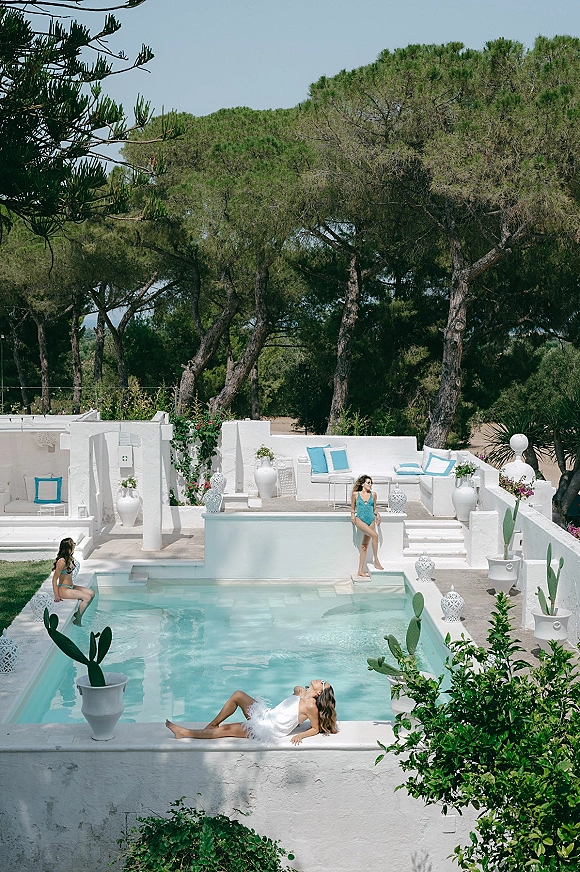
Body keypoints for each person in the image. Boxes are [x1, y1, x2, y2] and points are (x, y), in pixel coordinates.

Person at [165, 679, 338, 745]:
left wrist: (301, 736)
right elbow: (296, 689)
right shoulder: (302, 694)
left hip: (267, 728)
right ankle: (212, 724)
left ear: (320, 692)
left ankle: (184, 733)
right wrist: (300, 690)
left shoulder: (311, 706)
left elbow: (315, 728)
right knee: (238, 695)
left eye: (322, 683)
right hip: (266, 715)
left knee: (225, 731)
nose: (319, 680)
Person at [51, 537, 94, 625]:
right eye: (72, 544)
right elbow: (54, 579)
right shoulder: (61, 562)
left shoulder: (69, 558)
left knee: (91, 593)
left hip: (70, 586)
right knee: (87, 598)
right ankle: (78, 619)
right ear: (68, 548)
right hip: (63, 589)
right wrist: (56, 596)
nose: (74, 545)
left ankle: (78, 614)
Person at [351, 474, 383, 576]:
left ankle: (360, 570)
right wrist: (352, 515)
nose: (370, 485)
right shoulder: (355, 494)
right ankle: (376, 560)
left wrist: (377, 514)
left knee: (364, 546)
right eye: (368, 483)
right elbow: (352, 509)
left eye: (371, 483)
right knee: (375, 535)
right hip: (360, 519)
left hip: (371, 520)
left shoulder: (373, 495)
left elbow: (374, 509)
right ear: (363, 484)